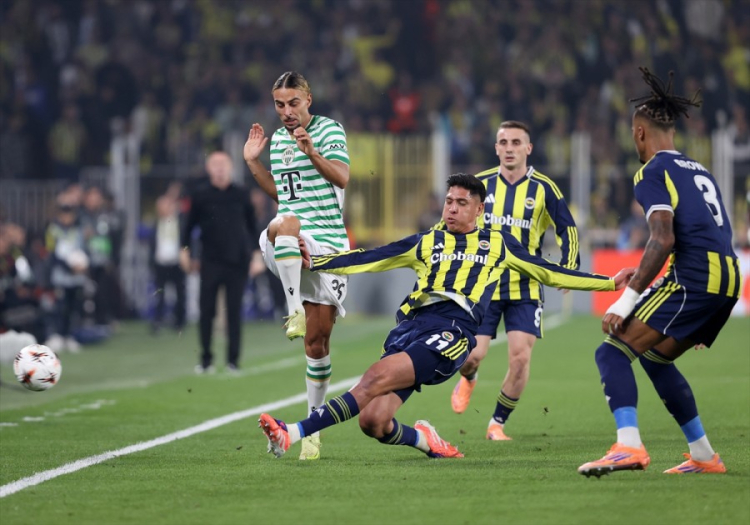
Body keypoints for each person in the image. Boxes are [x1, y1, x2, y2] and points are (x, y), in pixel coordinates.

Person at [258, 174, 634, 460]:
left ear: (479, 210)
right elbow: (369, 258)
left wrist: (608, 283)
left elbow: (549, 272)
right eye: (448, 201)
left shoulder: (498, 244)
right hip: (409, 329)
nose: (451, 208)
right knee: (373, 422)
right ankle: (426, 441)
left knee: (372, 378)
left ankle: (292, 433)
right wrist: (317, 261)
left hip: (452, 332)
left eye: (461, 203)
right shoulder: (427, 241)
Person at [578, 68, 739, 477]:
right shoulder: (699, 170)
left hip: (696, 279)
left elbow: (662, 237)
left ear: (639, 133)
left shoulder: (651, 171)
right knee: (654, 358)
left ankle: (628, 446)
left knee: (611, 350)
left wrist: (627, 298)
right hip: (727, 278)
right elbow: (705, 233)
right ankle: (704, 456)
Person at [448, 121, 580, 442]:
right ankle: (470, 377)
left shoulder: (544, 188)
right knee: (472, 355)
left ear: (528, 148)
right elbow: (450, 221)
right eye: (504, 142)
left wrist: (569, 266)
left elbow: (567, 229)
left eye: (516, 142)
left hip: (525, 285)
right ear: (496, 148)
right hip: (484, 284)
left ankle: (497, 423)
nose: (509, 148)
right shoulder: (480, 185)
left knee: (520, 357)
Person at [243, 71, 350, 460]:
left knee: (317, 344)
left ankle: (313, 431)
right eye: (279, 104)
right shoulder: (277, 142)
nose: (286, 111)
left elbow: (342, 178)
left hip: (329, 245)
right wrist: (252, 162)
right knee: (282, 223)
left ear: (308, 99)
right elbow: (283, 194)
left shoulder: (329, 130)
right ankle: (293, 310)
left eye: (293, 103)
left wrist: (312, 152)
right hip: (290, 237)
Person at [180, 151, 258, 374]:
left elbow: (253, 227)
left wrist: (256, 255)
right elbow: (188, 227)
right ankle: (206, 360)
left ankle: (233, 361)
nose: (220, 168)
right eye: (215, 164)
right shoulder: (200, 195)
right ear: (208, 168)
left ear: (231, 167)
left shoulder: (242, 193)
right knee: (206, 311)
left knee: (234, 312)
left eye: (224, 163)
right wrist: (184, 251)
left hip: (237, 261)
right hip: (210, 261)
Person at [150, 194, 186, 333]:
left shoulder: (180, 222)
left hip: (177, 263)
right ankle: (157, 321)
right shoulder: (156, 223)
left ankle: (179, 322)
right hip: (161, 263)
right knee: (160, 294)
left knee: (180, 294)